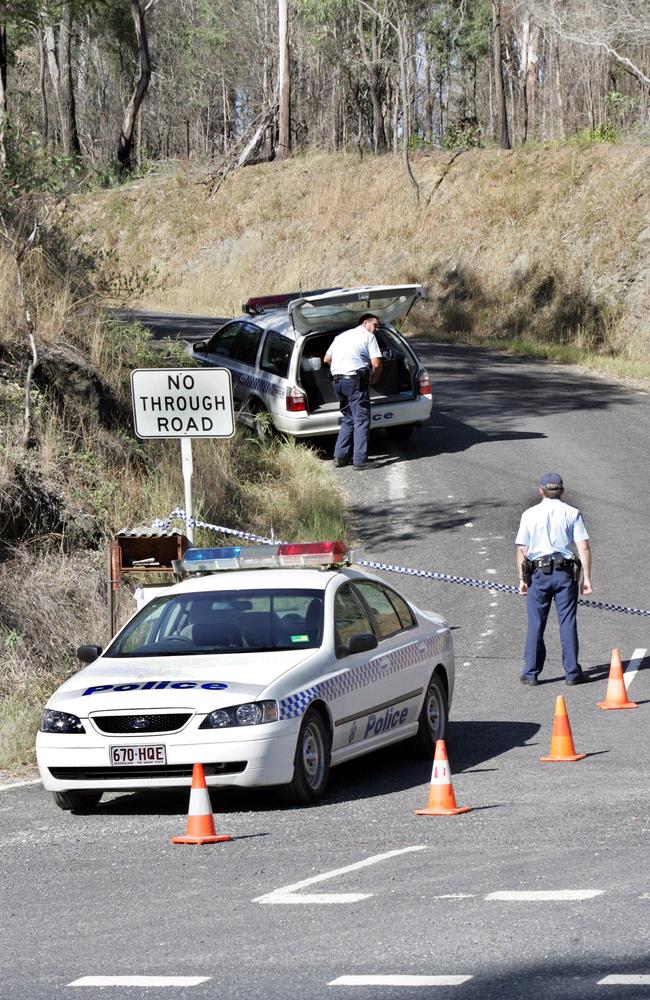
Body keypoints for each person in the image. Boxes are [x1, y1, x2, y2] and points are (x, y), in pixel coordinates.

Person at [515, 472, 593, 686]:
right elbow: (583, 546)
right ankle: (572, 673)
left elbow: (523, 549)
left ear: (541, 491)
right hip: (565, 573)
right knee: (567, 622)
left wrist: (522, 579)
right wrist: (587, 578)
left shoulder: (529, 514)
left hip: (538, 574)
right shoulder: (572, 513)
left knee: (535, 623)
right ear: (562, 491)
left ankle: (531, 673)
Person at [323, 313, 383, 470]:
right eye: (375, 325)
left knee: (349, 418)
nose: (377, 329)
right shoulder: (368, 337)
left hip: (338, 383)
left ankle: (340, 457)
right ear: (365, 323)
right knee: (361, 419)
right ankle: (360, 460)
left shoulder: (341, 337)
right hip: (354, 383)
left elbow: (326, 360)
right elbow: (376, 363)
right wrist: (374, 379)